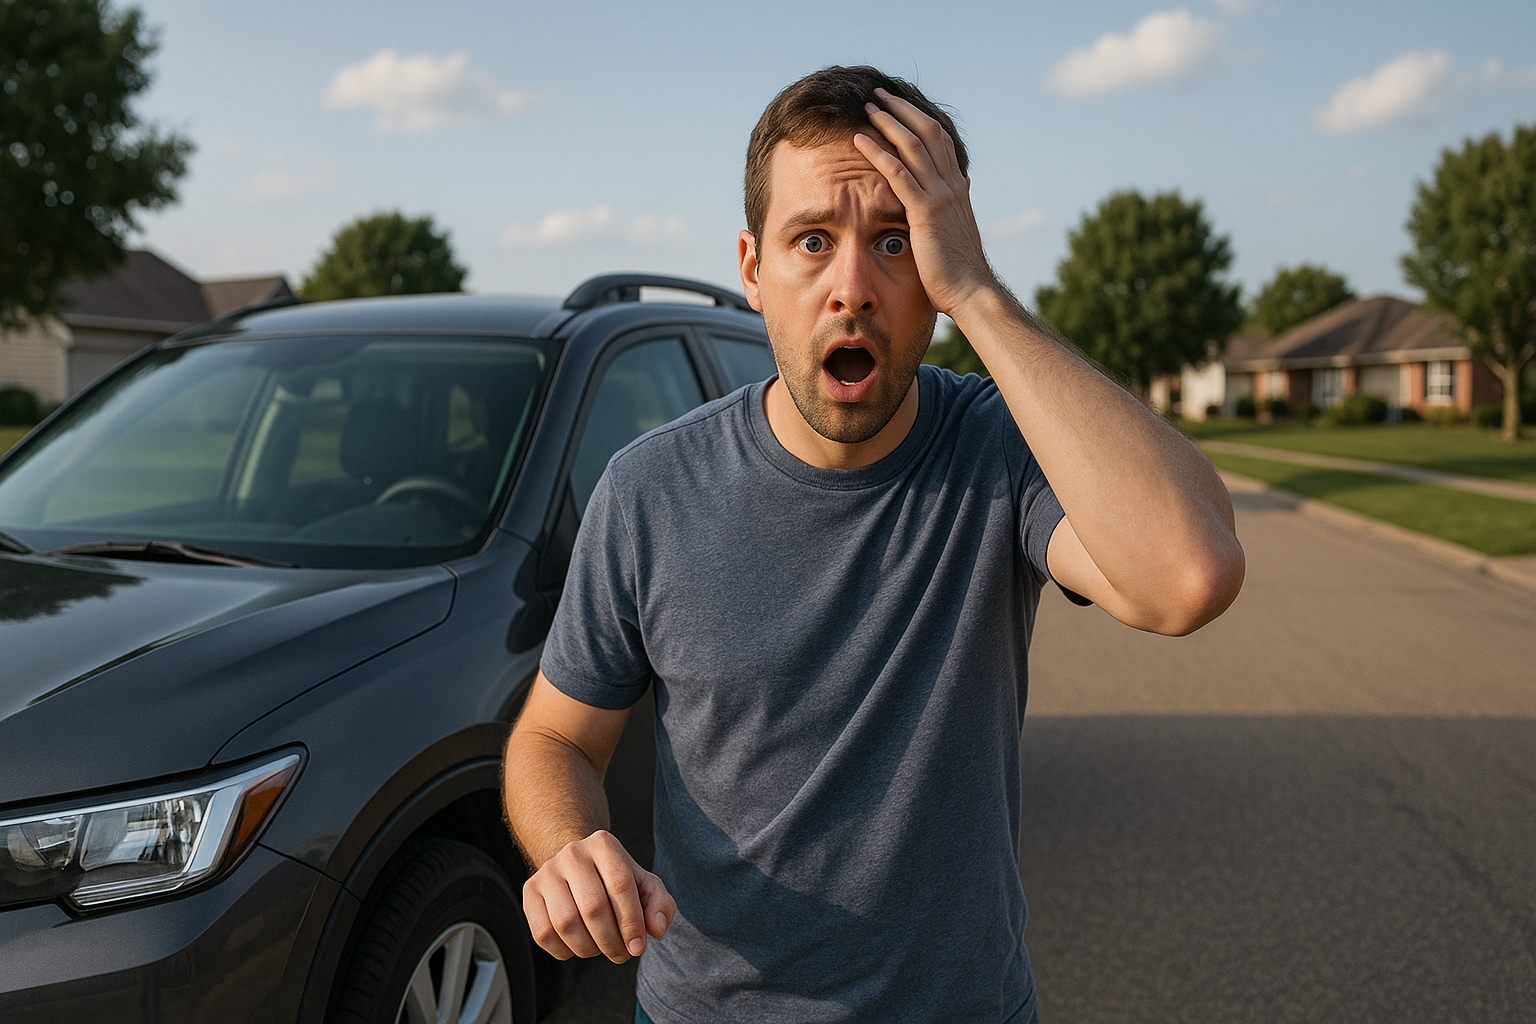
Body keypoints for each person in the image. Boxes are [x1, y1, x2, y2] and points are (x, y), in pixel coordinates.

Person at [502, 66, 1245, 1023]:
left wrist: (977, 291)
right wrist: (568, 844)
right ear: (753, 267)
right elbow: (553, 737)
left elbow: (1188, 576)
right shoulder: (649, 490)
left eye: (896, 242)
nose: (852, 288)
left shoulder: (999, 448)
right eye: (813, 240)